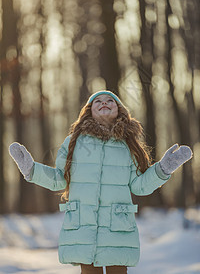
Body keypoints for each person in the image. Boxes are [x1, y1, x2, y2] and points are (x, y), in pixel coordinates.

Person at [9, 90, 193, 274]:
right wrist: (32, 170)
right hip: (84, 225)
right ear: (89, 111)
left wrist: (164, 168)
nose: (104, 103)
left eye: (109, 101)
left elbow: (140, 186)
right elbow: (59, 180)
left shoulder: (127, 145)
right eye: (97, 101)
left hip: (117, 227)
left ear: (119, 110)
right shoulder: (74, 143)